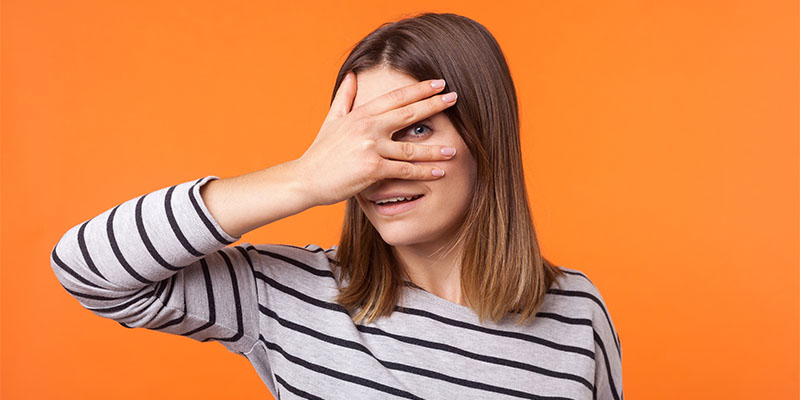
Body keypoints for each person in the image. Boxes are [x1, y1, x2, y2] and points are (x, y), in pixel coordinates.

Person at [50, 12, 623, 400]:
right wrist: (305, 178)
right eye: (357, 138)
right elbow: (87, 269)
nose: (375, 165)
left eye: (414, 129)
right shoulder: (287, 294)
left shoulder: (577, 315)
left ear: (484, 137)